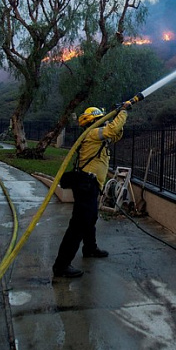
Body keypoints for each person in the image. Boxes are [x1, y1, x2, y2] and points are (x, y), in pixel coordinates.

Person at [52, 101, 131, 278]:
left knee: (91, 218)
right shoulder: (94, 133)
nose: (104, 122)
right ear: (95, 120)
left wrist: (118, 115)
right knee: (78, 225)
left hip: (90, 185)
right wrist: (123, 112)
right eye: (102, 119)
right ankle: (61, 265)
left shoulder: (96, 136)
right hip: (87, 185)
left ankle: (90, 248)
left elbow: (115, 134)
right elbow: (111, 130)